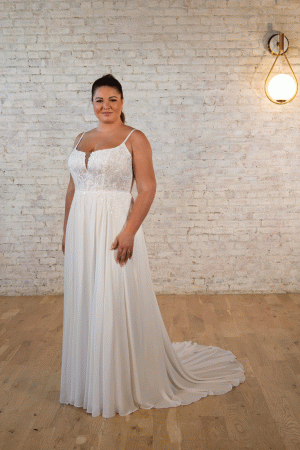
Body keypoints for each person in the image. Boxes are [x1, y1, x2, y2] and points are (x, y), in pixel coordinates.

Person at [59, 73, 246, 419]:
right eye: (99, 100)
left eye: (113, 99)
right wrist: (66, 229)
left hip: (114, 226)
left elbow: (147, 188)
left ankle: (117, 382)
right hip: (82, 228)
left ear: (123, 102)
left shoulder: (135, 138)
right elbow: (73, 188)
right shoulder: (81, 137)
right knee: (86, 296)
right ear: (92, 104)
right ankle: (88, 378)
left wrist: (129, 231)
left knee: (112, 297)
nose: (106, 106)